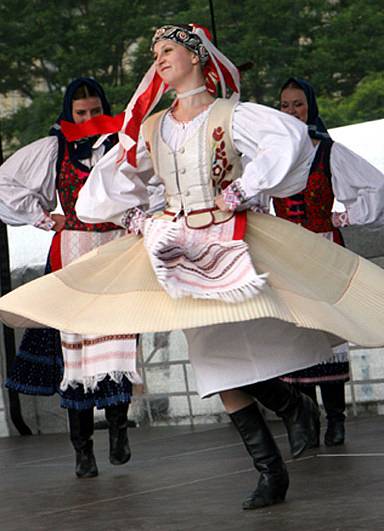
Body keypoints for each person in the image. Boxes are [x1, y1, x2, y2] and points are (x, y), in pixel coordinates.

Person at [1, 24, 384, 511]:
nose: (158, 59)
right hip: (177, 245)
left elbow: (290, 142)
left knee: (235, 344)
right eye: (155, 53)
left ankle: (283, 440)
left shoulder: (229, 114)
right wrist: (134, 215)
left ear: (197, 58)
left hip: (230, 235)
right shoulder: (153, 126)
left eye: (168, 50)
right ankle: (282, 436)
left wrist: (246, 188)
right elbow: (111, 181)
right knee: (209, 356)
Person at [0, 78, 139, 479]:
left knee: (118, 343)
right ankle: (82, 449)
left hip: (115, 250)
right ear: (69, 113)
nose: (90, 119)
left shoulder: (122, 144)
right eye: (81, 113)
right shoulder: (54, 149)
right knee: (73, 349)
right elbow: (6, 183)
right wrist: (45, 217)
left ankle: (118, 429)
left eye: (96, 111)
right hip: (73, 253)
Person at [274, 77, 384, 446]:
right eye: (285, 105)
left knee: (329, 335)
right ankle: (307, 422)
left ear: (311, 107)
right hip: (286, 256)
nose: (291, 111)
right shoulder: (269, 158)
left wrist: (345, 216)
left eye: (298, 104)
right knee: (298, 335)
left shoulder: (328, 151)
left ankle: (336, 419)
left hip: (323, 250)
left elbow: (375, 187)